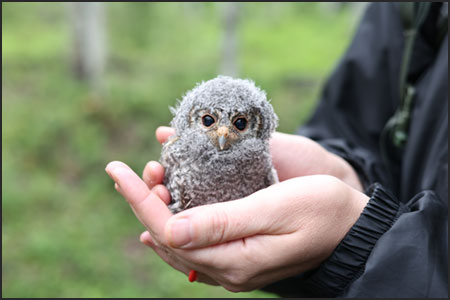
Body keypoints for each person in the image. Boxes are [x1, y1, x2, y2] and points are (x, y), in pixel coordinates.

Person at [105, 2, 447, 297]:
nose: (223, 134)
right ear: (190, 119)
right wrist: (347, 175)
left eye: (239, 125)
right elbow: (357, 122)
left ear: (256, 125)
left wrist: (357, 238)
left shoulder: (256, 157)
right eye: (208, 121)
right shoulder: (412, 7)